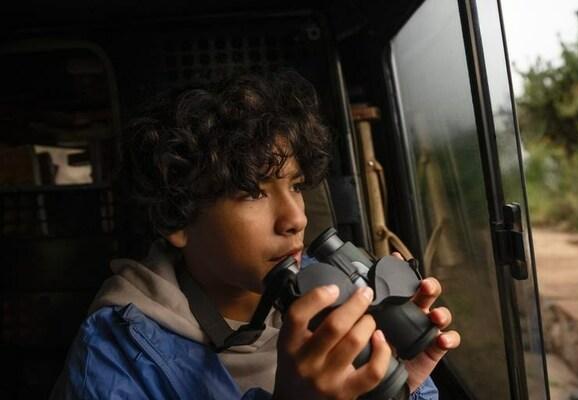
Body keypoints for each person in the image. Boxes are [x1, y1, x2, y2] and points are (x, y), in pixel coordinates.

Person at [51, 71, 460, 399]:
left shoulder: (336, 298)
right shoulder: (114, 355)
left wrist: (400, 390)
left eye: (296, 185)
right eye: (253, 192)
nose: (296, 218)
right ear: (177, 219)